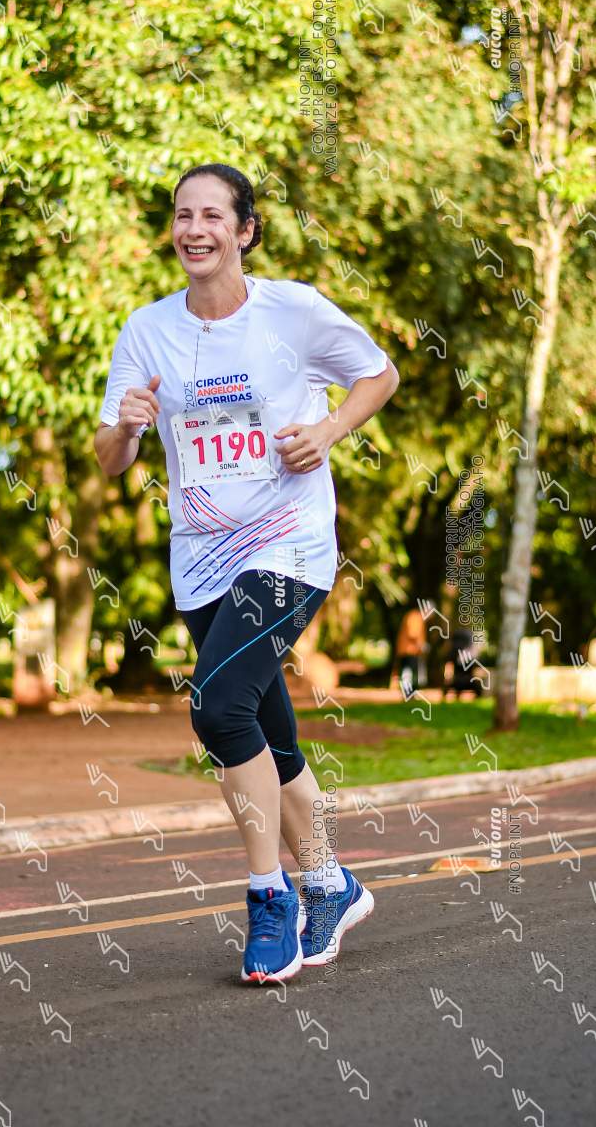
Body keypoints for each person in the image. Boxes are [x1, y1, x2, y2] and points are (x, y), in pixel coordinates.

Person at [95, 163, 399, 985]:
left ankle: (270, 896)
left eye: (212, 216)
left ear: (245, 230)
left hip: (288, 544)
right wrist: (127, 427)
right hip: (202, 558)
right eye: (182, 216)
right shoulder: (147, 330)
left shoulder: (292, 310)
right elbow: (110, 458)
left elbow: (380, 374)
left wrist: (328, 431)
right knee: (270, 736)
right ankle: (331, 885)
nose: (194, 230)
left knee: (219, 707)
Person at [395, 606, 426, 693]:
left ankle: (409, 690)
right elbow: (413, 633)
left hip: (408, 649)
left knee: (408, 670)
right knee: (408, 670)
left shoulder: (413, 615)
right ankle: (407, 691)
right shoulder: (415, 617)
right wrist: (422, 645)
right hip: (410, 650)